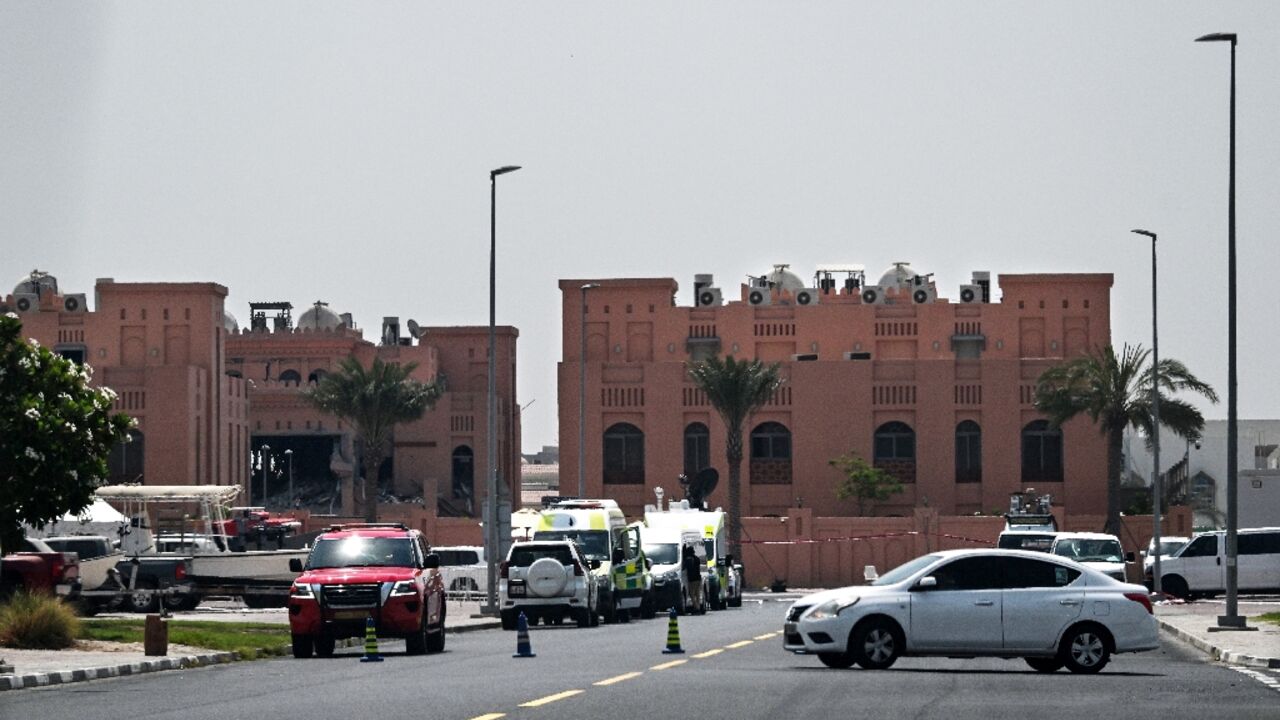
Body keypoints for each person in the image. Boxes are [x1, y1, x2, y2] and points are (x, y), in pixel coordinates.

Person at [681, 543, 704, 614]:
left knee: (691, 594)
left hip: (692, 579)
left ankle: (696, 608)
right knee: (697, 594)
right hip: (698, 578)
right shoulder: (697, 558)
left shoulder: (689, 559)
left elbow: (686, 567)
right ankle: (698, 607)